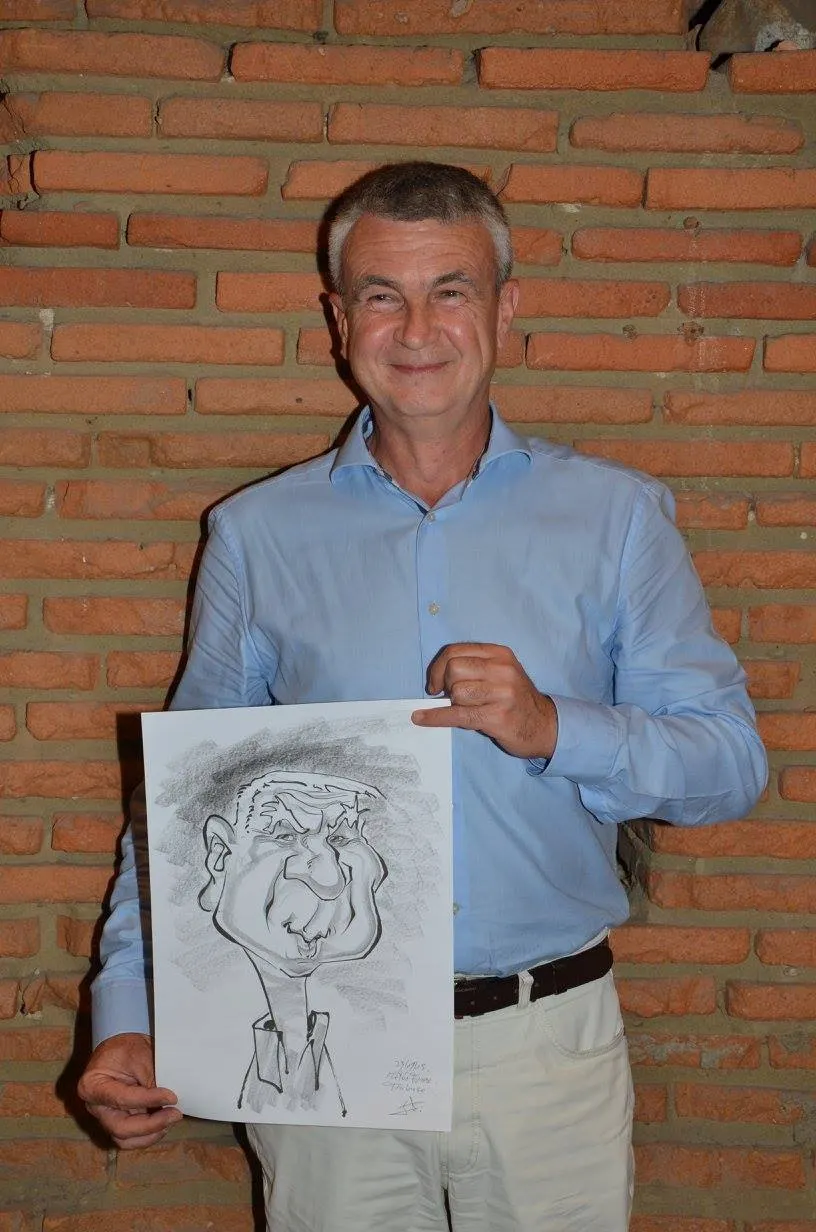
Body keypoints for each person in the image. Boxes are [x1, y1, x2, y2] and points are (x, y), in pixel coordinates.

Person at [78, 161, 767, 1230]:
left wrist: (553, 727)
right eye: (381, 295)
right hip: (328, 1043)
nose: (416, 329)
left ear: (505, 307)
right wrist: (128, 1005)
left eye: (450, 290)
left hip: (546, 1045)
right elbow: (185, 805)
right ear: (338, 320)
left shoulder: (617, 518)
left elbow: (728, 764)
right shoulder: (257, 537)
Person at [198, 770, 386, 1117]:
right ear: (221, 854)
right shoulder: (203, 1007)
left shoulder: (370, 1022)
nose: (330, 879)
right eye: (284, 836)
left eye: (340, 838)